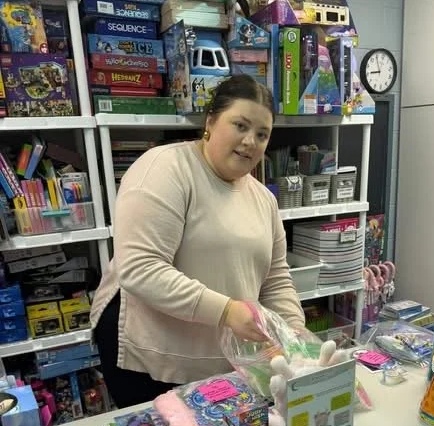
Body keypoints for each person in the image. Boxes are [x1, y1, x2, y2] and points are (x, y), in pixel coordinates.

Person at [91, 74, 305, 408]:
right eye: (240, 125)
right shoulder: (165, 170)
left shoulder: (263, 199)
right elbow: (140, 269)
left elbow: (276, 278)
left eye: (262, 134)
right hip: (153, 360)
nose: (251, 141)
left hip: (227, 360)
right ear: (210, 122)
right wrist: (226, 311)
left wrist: (295, 336)